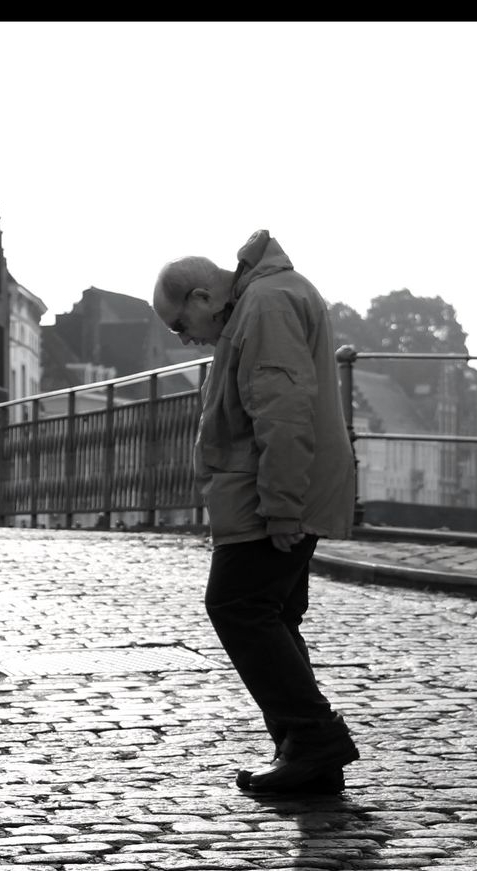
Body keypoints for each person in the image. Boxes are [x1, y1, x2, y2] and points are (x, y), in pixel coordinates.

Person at [151, 229, 360, 795]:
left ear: (201, 298)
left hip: (269, 494)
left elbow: (284, 414)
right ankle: (306, 752)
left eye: (180, 326)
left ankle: (314, 737)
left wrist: (283, 510)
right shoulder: (266, 300)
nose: (185, 339)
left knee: (237, 605)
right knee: (271, 612)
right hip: (276, 489)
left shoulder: (264, 307)